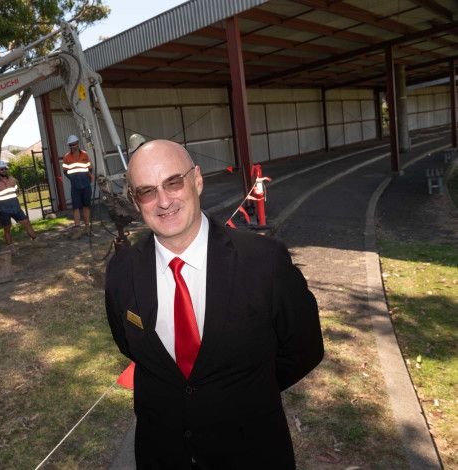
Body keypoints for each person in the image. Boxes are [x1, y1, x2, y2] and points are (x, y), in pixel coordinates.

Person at [104, 139, 323, 469]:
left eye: (173, 182)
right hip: (162, 455)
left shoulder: (265, 261)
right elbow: (131, 347)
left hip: (252, 454)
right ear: (136, 202)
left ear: (197, 180)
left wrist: (244, 394)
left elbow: (305, 349)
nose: (163, 201)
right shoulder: (122, 271)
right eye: (148, 191)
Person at [0, 160, 38, 247]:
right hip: (3, 210)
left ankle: (36, 240)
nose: (4, 170)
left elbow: (16, 191)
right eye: (1, 169)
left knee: (26, 223)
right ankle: (11, 247)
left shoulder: (13, 180)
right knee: (7, 229)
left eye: (5, 169)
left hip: (16, 208)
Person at [62, 134, 94, 239]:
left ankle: (87, 228)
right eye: (70, 145)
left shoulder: (85, 155)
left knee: (86, 206)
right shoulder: (66, 157)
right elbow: (65, 171)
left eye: (74, 144)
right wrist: (73, 179)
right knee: (75, 207)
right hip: (75, 186)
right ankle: (77, 229)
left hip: (86, 185)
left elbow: (90, 168)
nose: (73, 146)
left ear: (78, 144)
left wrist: (88, 178)